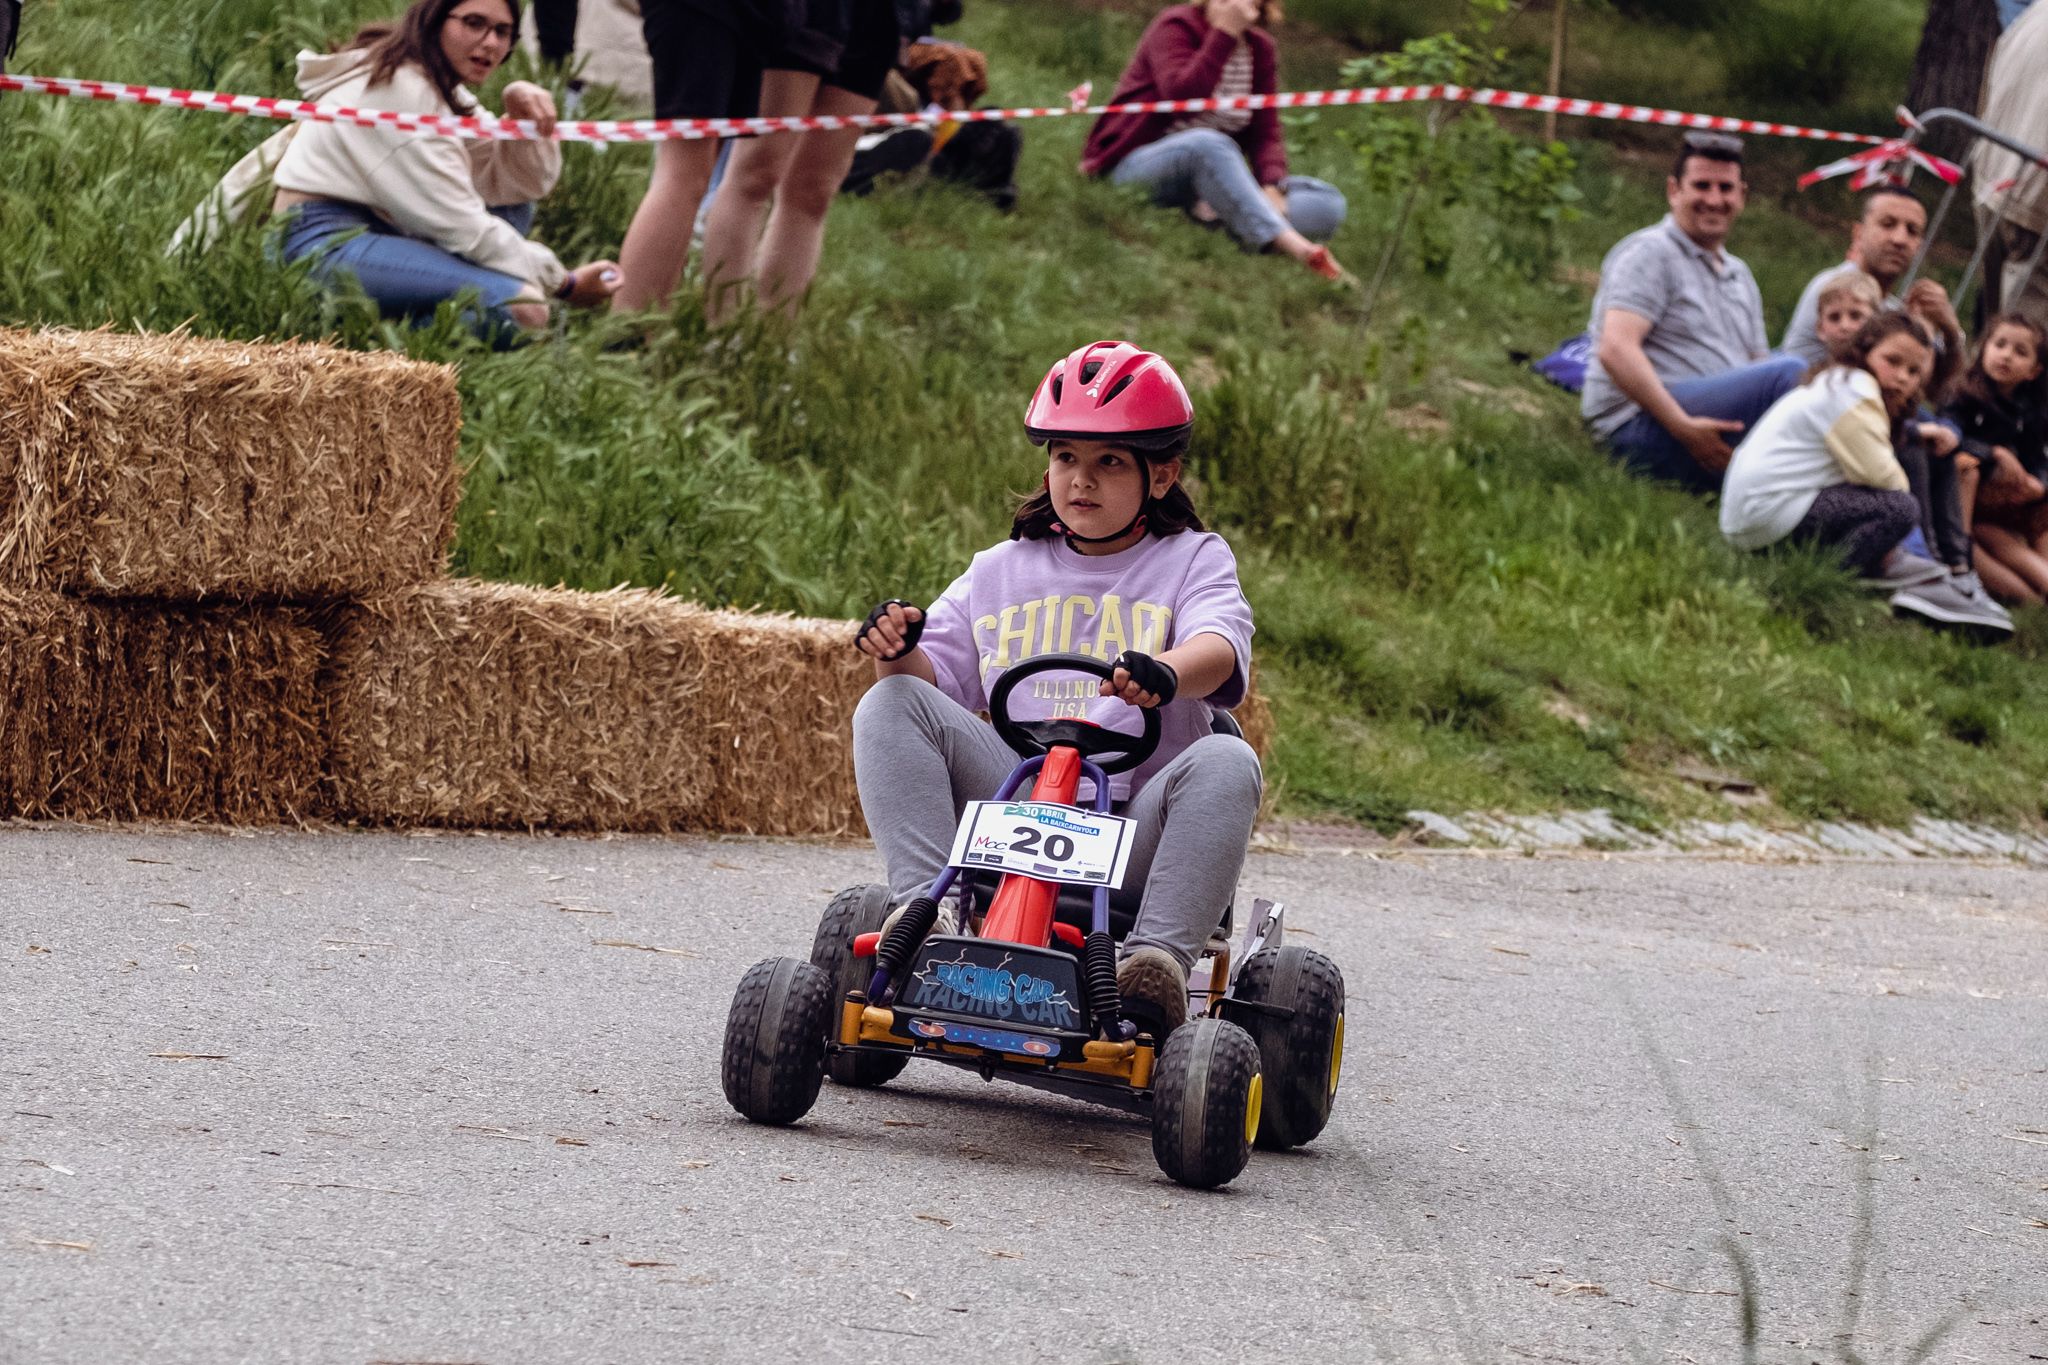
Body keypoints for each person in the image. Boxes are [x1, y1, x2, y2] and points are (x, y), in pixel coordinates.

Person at [850, 340, 1260, 1037]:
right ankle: (925, 915)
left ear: (1160, 475)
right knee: (886, 701)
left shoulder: (1193, 557)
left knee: (1229, 759)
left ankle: (1154, 964)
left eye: (1108, 462)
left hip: (1130, 833)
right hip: (1012, 809)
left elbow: (1220, 649)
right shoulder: (998, 568)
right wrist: (899, 648)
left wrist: (1168, 670)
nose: (1081, 480)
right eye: (1066, 457)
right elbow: (931, 687)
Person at [176, 0, 617, 341]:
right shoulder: (404, 90)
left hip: (367, 232)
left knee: (512, 216)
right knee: (522, 308)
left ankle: (382, 342)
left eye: (503, 32)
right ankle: (368, 357)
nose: (490, 43)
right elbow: (464, 227)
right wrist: (564, 283)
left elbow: (519, 186)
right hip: (318, 242)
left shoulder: (438, 88)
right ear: (435, 19)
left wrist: (520, 114)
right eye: (474, 23)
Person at [1720, 313, 2010, 632]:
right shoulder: (1856, 394)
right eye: (1892, 361)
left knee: (1918, 460)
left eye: (1914, 371)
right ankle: (1854, 574)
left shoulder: (1841, 382)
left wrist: (1914, 436)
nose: (1902, 377)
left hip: (1755, 516)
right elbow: (1885, 479)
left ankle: (1933, 572)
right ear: (1865, 350)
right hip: (1766, 518)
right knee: (1899, 508)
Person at [1581, 132, 1806, 491]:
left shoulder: (1740, 275)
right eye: (1701, 186)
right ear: (1674, 191)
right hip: (1640, 424)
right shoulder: (1651, 254)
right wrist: (1682, 427)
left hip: (1714, 420)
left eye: (1725, 188)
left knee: (1844, 387)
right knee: (1792, 373)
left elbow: (1757, 364)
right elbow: (1615, 348)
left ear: (1742, 196)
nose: (1714, 200)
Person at [1080, 0, 1349, 283]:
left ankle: (1222, 217)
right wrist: (1223, 34)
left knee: (1328, 203)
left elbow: (1266, 132)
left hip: (1213, 183)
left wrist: (1271, 186)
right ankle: (1297, 247)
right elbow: (1181, 99)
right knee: (1207, 144)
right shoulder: (1175, 26)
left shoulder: (1260, 49)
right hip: (1141, 164)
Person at [699, 1, 901, 323]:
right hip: (804, 13)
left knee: (815, 191)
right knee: (755, 175)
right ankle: (718, 331)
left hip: (878, 17)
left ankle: (773, 342)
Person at [611, 1, 789, 313]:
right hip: (702, 10)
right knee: (684, 174)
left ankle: (648, 333)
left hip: (753, 16)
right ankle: (623, 338)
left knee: (697, 175)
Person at [1781, 187, 1964, 367]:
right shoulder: (1832, 291)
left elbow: (1934, 390)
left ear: (1920, 246)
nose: (1899, 239)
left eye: (1912, 231)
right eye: (1887, 224)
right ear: (1858, 234)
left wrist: (1949, 330)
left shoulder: (1895, 309)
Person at [1948, 314, 2048, 601]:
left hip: (2002, 503)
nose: (2006, 356)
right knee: (1990, 534)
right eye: (1999, 344)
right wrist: (1994, 453)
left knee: (2042, 508)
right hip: (1967, 499)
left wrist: (2038, 484)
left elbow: (2037, 458)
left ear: (2034, 370)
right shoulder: (1962, 392)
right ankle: (2031, 599)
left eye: (2020, 352)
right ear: (1983, 349)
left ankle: (2040, 590)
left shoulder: (2030, 409)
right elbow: (1949, 437)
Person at [1973, 1, 2048, 330]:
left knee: (1996, 338)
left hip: (1995, 183)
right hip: (2037, 210)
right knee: (2024, 353)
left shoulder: (2038, 13)